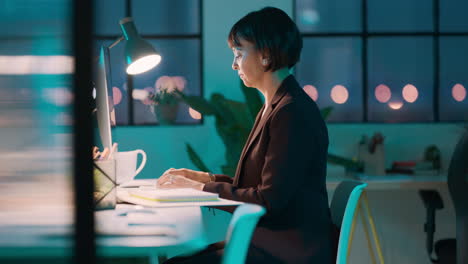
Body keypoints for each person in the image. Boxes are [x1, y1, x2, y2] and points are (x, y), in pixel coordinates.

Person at [158, 6, 333, 264]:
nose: (234, 64)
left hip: (288, 251)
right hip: (270, 243)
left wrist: (201, 189)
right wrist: (204, 178)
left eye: (239, 54)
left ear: (264, 55)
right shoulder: (276, 106)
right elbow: (262, 187)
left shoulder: (291, 112)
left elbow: (268, 201)